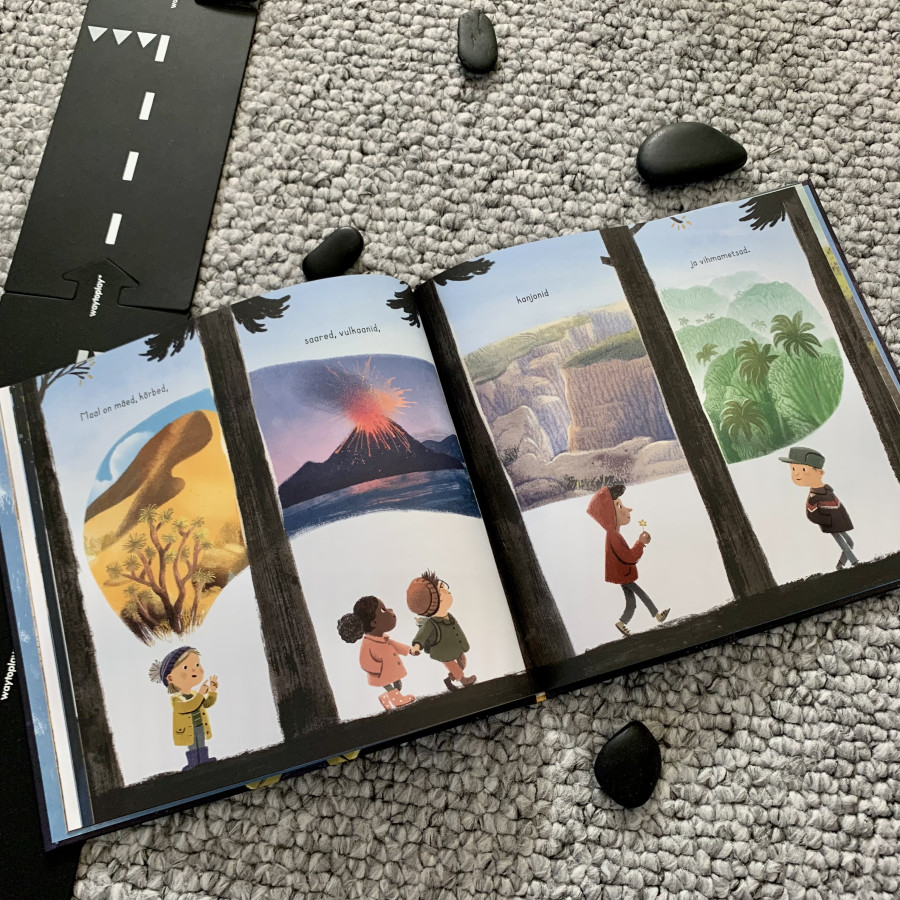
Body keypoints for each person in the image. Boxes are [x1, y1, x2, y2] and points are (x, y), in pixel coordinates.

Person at [587, 484, 669, 637]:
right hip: (623, 575)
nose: (628, 510)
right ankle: (657, 615)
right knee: (641, 595)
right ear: (609, 513)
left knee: (632, 603)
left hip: (623, 575)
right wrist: (640, 543)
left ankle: (622, 623)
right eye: (619, 506)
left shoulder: (614, 534)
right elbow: (629, 557)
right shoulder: (613, 536)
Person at [779, 446, 858, 568]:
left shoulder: (828, 490)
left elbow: (838, 506)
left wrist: (843, 520)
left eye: (803, 469)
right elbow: (812, 515)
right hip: (831, 525)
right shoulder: (813, 497)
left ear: (820, 473)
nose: (797, 474)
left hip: (839, 523)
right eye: (793, 469)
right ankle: (855, 563)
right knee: (844, 545)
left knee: (850, 542)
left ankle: (840, 565)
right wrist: (828, 521)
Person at [338, 596, 418, 710]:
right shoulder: (368, 643)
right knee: (390, 686)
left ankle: (385, 698)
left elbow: (395, 645)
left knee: (398, 686)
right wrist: (379, 670)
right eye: (383, 610)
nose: (390, 610)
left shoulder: (383, 638)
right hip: (382, 674)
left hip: (391, 670)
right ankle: (397, 700)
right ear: (374, 623)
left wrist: (409, 650)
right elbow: (364, 662)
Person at [148, 646, 218, 771]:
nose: (194, 670)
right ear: (171, 678)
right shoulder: (177, 698)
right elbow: (189, 706)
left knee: (201, 742)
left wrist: (212, 691)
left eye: (197, 665)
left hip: (199, 725)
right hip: (188, 729)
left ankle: (203, 760)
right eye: (185, 667)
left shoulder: (195, 694)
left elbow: (206, 704)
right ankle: (193, 763)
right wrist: (201, 694)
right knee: (193, 745)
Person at [407, 570, 476, 691]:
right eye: (442, 590)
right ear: (435, 602)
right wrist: (416, 647)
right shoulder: (430, 623)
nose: (447, 591)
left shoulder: (449, 616)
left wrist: (463, 644)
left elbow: (457, 630)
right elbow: (421, 636)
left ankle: (449, 679)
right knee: (453, 665)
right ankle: (463, 680)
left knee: (462, 661)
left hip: (455, 646)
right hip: (442, 650)